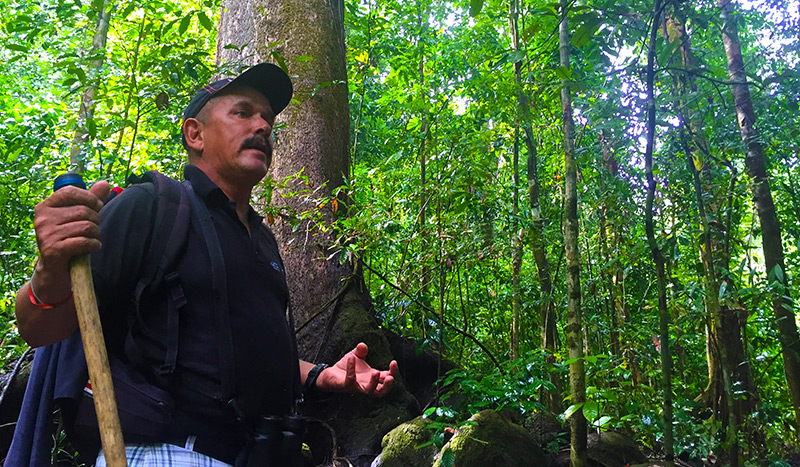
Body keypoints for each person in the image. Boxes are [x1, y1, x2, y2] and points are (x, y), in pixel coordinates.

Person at [14, 62, 398, 466]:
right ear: (194, 134)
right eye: (243, 112)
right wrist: (49, 268)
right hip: (167, 452)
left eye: (268, 118)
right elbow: (38, 328)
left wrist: (324, 375)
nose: (264, 126)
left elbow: (233, 353)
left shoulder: (262, 240)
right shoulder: (153, 205)